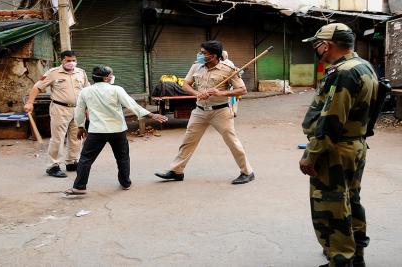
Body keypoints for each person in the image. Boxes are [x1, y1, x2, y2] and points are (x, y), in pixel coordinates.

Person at [300, 23, 378, 267]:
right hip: (355, 145)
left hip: (335, 150)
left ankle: (341, 261)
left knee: (332, 208)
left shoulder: (343, 73)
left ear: (327, 45)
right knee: (350, 201)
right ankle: (356, 258)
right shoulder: (363, 66)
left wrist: (310, 156)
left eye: (317, 44)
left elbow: (331, 120)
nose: (316, 49)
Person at [155, 40, 255, 184]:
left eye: (204, 53)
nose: (200, 55)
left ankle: (247, 172)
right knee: (188, 141)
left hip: (220, 111)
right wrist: (196, 94)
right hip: (199, 111)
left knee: (232, 142)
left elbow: (242, 90)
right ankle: (176, 171)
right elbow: (185, 85)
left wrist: (219, 93)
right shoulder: (196, 66)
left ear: (213, 55)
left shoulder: (229, 69)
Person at [64, 65, 167, 195]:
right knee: (122, 157)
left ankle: (79, 187)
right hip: (117, 130)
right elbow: (131, 104)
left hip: (97, 131)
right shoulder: (117, 90)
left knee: (86, 158)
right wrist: (152, 115)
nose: (113, 76)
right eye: (111, 74)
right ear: (106, 78)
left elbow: (79, 111)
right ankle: (125, 183)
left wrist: (80, 126)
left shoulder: (86, 91)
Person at [24, 50, 90, 178]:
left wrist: (88, 109)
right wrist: (30, 103)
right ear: (62, 61)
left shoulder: (81, 73)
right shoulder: (53, 73)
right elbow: (37, 87)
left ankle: (72, 162)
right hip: (60, 109)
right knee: (58, 137)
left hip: (78, 109)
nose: (71, 63)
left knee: (77, 136)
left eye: (73, 60)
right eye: (68, 60)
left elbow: (87, 91)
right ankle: (53, 165)